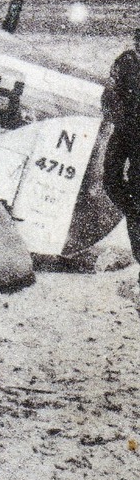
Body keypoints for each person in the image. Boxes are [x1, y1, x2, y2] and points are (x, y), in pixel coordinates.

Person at [101, 27, 140, 295]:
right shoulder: (126, 61)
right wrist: (116, 117)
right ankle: (135, 214)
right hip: (124, 131)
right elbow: (109, 95)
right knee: (110, 180)